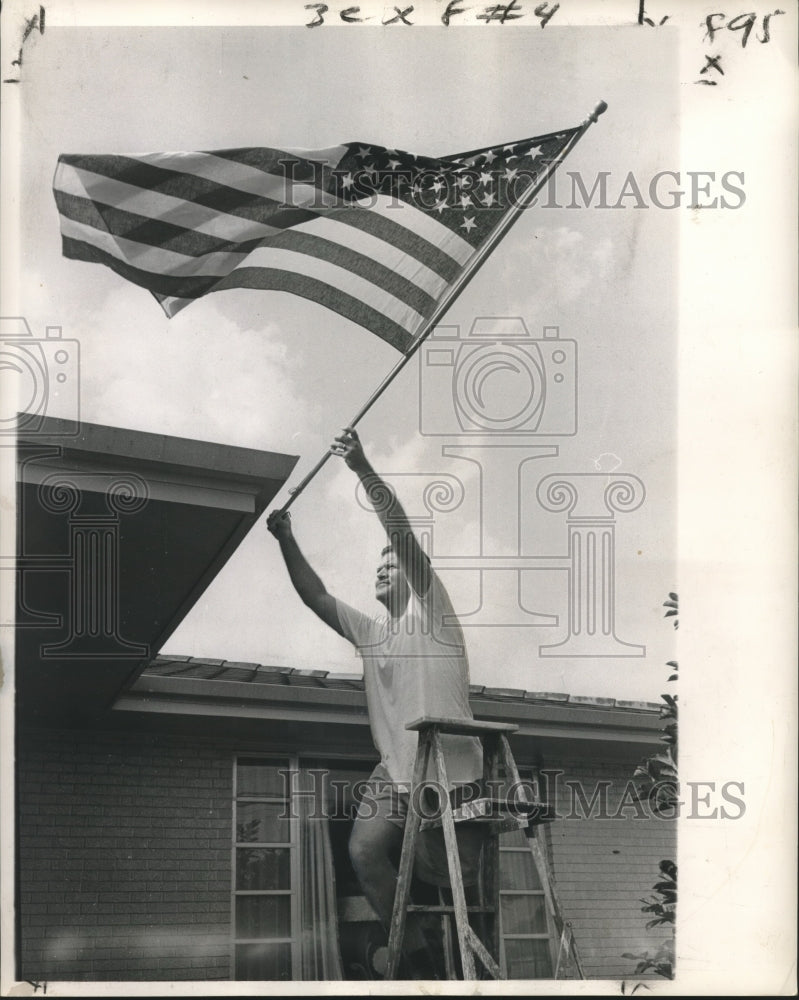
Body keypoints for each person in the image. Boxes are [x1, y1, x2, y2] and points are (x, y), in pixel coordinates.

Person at [267, 427, 486, 979]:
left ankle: (449, 953)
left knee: (440, 875)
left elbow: (404, 536)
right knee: (364, 853)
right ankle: (418, 962)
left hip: (449, 774)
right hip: (395, 772)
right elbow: (316, 596)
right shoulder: (370, 634)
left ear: (412, 579)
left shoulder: (435, 618)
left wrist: (363, 469)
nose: (385, 566)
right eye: (379, 564)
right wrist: (285, 538)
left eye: (395, 562)